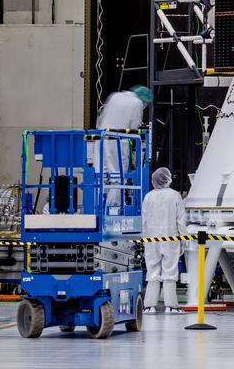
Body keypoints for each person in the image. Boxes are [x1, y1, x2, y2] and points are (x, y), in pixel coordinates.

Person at [96, 86, 154, 208]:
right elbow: (134, 126)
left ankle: (97, 207)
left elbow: (100, 119)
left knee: (101, 175)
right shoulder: (137, 102)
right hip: (118, 141)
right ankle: (114, 208)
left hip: (100, 139)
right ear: (144, 100)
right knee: (118, 177)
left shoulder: (115, 96)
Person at [142, 167, 186, 312]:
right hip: (170, 237)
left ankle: (149, 306)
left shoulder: (148, 196)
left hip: (151, 239)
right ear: (168, 179)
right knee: (170, 270)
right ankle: (171, 306)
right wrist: (184, 238)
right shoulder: (174, 196)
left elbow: (144, 220)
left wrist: (144, 239)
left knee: (152, 271)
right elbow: (181, 219)